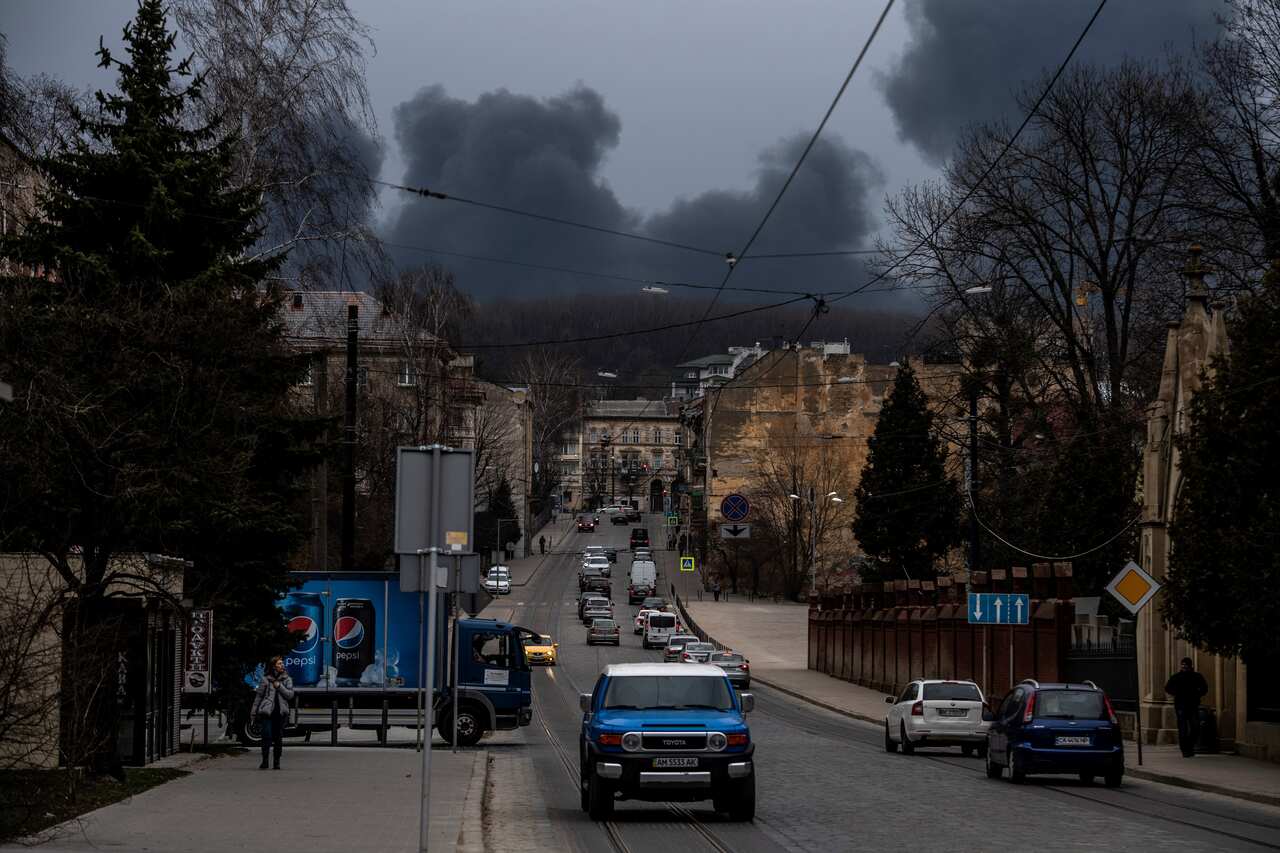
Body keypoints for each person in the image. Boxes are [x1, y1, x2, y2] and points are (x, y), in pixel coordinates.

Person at [253, 656, 294, 770]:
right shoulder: (265, 679)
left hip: (280, 713)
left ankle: (276, 761)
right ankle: (265, 761)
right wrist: (253, 713)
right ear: (273, 666)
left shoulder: (287, 679)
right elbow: (259, 697)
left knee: (278, 738)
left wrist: (279, 686)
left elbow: (290, 695)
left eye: (282, 663)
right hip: (267, 713)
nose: (282, 665)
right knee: (266, 736)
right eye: (280, 663)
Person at [1165, 657, 1208, 757]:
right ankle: (1185, 750)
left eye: (1186, 665)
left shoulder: (1197, 676)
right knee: (1183, 729)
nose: (1184, 666)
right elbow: (1168, 687)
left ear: (1190, 666)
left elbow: (1205, 688)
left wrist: (1197, 694)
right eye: (1183, 664)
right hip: (1180, 706)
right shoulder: (1176, 677)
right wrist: (1176, 693)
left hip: (1193, 705)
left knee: (1195, 726)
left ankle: (1190, 745)